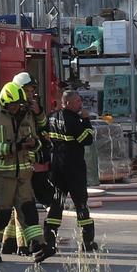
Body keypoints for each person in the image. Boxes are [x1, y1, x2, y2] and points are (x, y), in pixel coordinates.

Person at [0, 80, 53, 263]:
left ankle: (38, 247)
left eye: (19, 104)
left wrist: (34, 144)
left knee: (29, 211)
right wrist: (15, 147)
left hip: (23, 175)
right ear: (5, 103)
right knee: (2, 214)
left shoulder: (26, 118)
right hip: (2, 177)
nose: (17, 108)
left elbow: (36, 139)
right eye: (13, 104)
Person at [44, 89, 98, 252]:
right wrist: (86, 120)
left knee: (56, 204)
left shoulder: (51, 117)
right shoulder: (74, 120)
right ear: (67, 103)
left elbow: (45, 136)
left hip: (56, 168)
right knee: (81, 204)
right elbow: (87, 139)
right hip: (74, 169)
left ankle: (50, 241)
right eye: (77, 102)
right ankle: (87, 242)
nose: (81, 104)